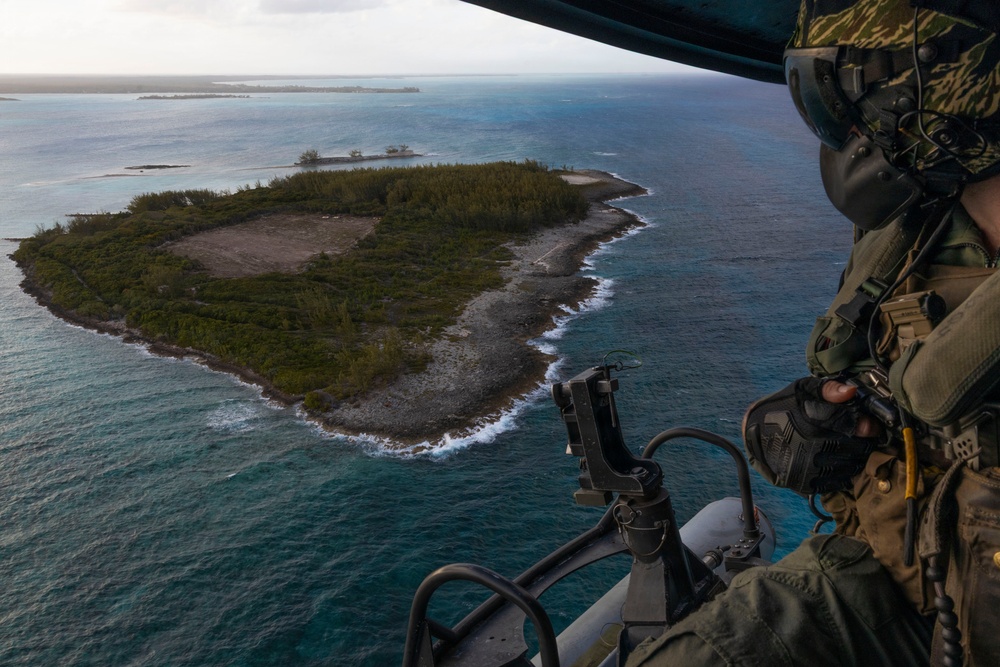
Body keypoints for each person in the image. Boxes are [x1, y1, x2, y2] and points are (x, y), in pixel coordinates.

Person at [628, 1, 1000, 665]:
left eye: (864, 93)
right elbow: (866, 375)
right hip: (881, 578)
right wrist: (815, 421)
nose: (853, 132)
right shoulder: (915, 229)